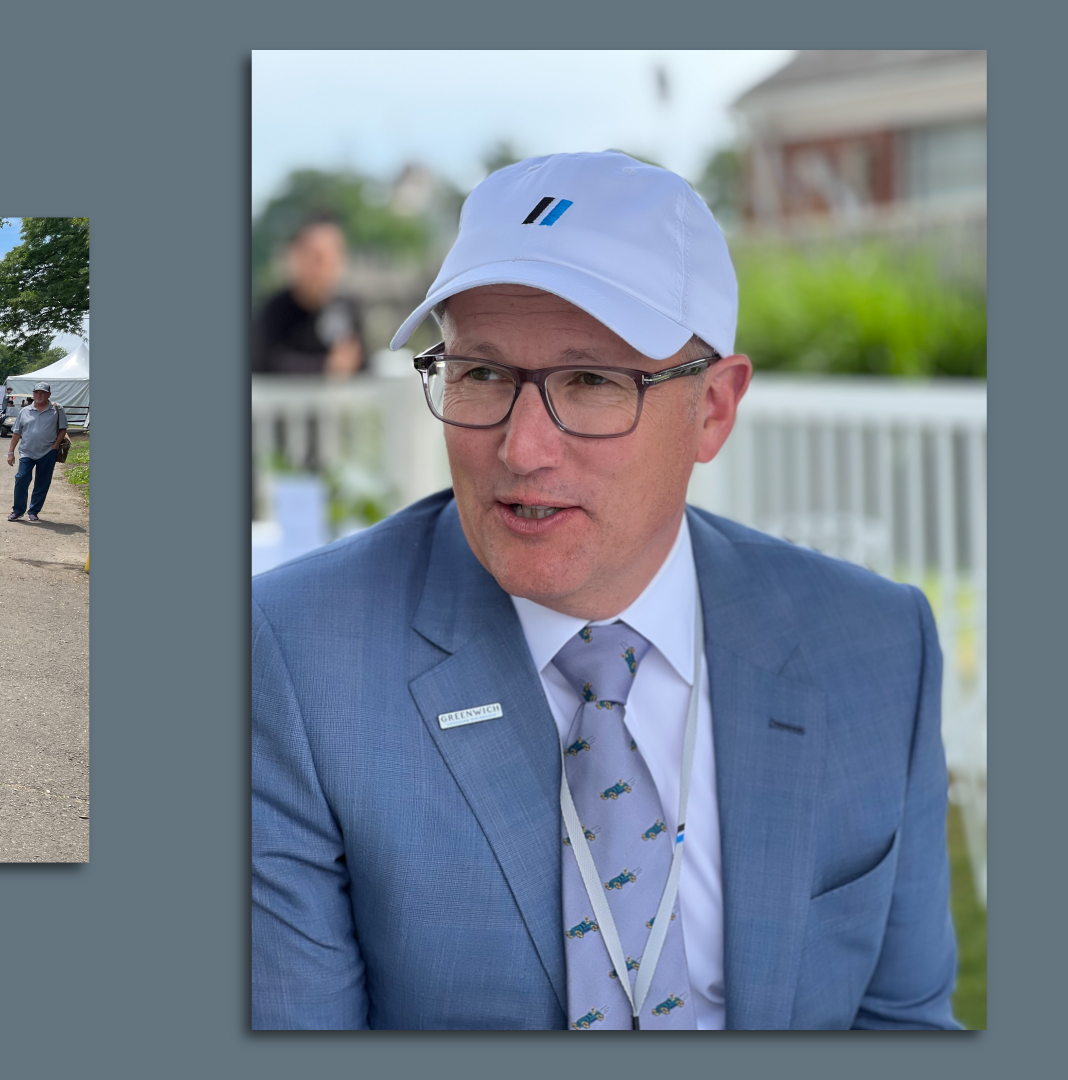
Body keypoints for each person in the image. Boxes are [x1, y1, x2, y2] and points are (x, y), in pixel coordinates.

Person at [252, 152, 958, 1030]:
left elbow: (905, 1024)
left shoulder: (878, 647)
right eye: (483, 373)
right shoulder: (297, 655)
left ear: (712, 410)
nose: (522, 448)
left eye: (590, 381)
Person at [250, 214, 365, 377]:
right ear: (296, 257)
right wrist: (326, 367)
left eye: (334, 256)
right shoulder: (274, 310)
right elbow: (265, 363)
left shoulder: (347, 308)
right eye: (317, 258)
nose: (326, 267)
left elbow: (363, 365)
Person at [5, 382, 69, 523]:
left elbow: (63, 429)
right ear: (33, 394)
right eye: (36, 393)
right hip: (27, 451)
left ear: (49, 395)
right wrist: (11, 452)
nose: (39, 395)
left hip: (48, 452)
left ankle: (33, 511)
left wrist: (56, 446)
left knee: (42, 483)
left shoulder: (57, 410)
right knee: (21, 479)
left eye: (42, 393)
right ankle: (17, 510)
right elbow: (16, 433)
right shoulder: (25, 411)